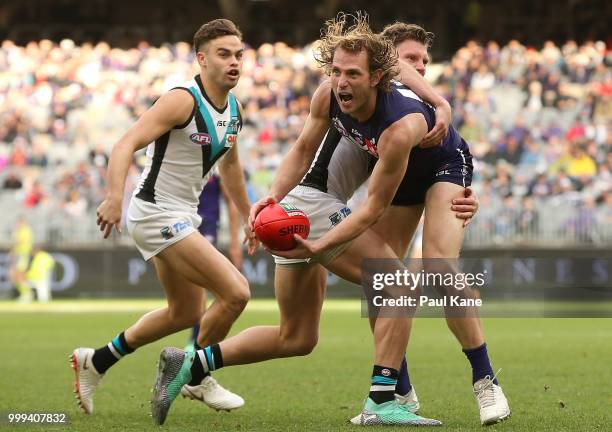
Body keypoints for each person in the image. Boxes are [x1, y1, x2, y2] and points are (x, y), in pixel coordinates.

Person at [149, 13, 451, 427]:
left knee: (296, 338)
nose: (342, 81)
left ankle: (189, 364)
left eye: (353, 74)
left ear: (378, 75)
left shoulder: (403, 123)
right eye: (337, 71)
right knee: (398, 285)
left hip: (309, 215)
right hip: (306, 207)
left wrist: (442, 107)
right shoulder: (331, 95)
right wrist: (272, 199)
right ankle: (381, 402)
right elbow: (303, 150)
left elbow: (377, 205)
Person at [71, 18, 258, 415]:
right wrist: (112, 198)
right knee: (237, 292)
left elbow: (231, 168)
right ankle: (197, 377)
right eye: (224, 54)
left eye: (239, 54)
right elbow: (125, 144)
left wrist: (247, 217)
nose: (234, 62)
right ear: (202, 59)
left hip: (180, 217)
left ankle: (97, 360)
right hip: (155, 213)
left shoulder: (235, 109)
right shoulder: (182, 100)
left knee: (186, 313)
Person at [346, 22, 509, 426]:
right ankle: (398, 386)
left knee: (439, 266)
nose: (419, 67)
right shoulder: (361, 90)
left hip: (445, 166)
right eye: (410, 59)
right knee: (381, 278)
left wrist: (466, 195)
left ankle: (485, 379)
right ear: (383, 63)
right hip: (398, 178)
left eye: (425, 61)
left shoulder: (420, 103)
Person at [10, 216, 33, 303]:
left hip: (23, 255)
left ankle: (27, 294)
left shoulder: (26, 231)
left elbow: (21, 242)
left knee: (20, 275)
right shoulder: (19, 231)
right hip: (20, 255)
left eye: (19, 223)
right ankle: (25, 294)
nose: (18, 225)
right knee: (15, 275)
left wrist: (15, 247)